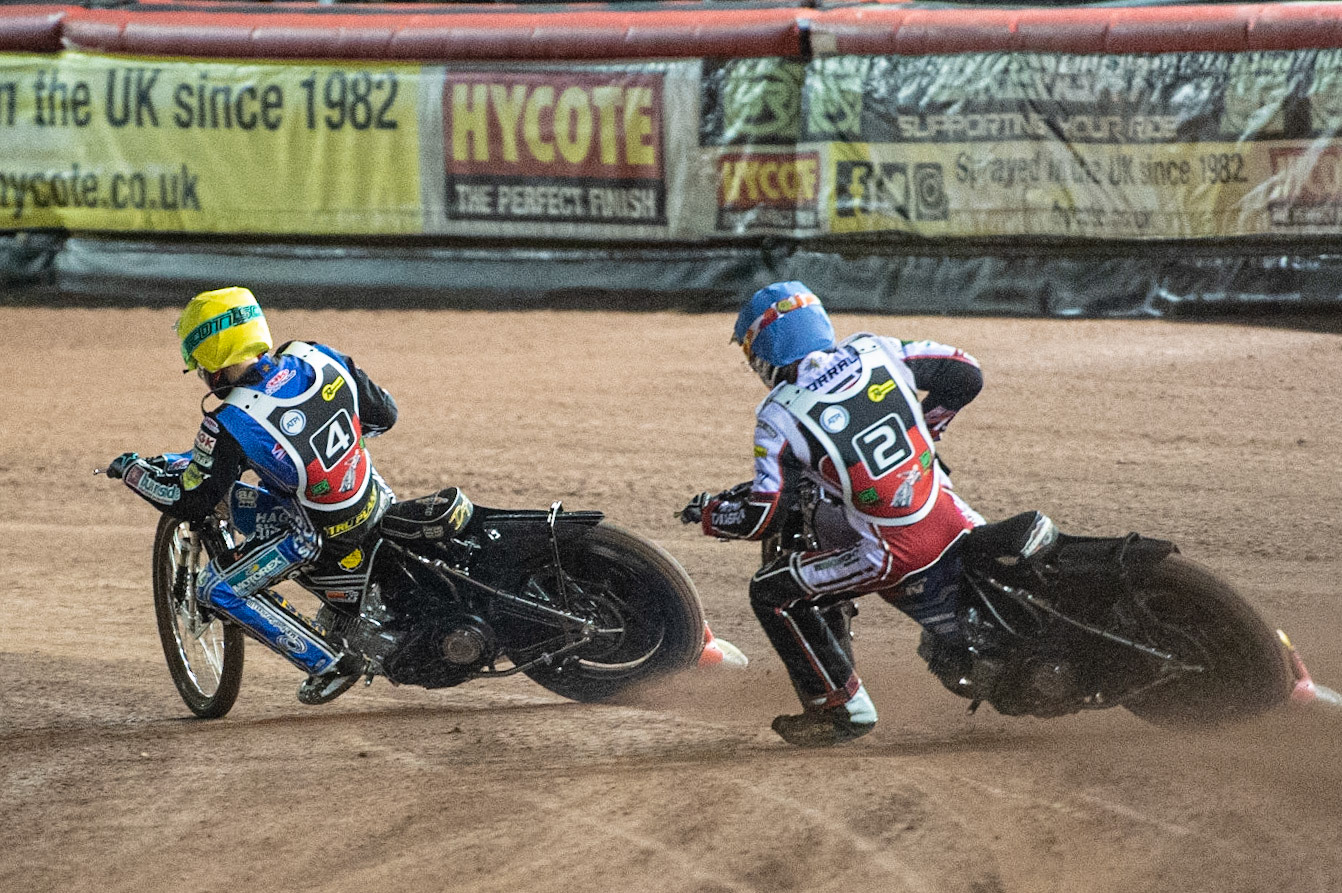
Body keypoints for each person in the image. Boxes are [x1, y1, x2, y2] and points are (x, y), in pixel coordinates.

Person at [681, 281, 1055, 747]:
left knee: (771, 591)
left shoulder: (779, 413)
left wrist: (713, 515)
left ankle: (840, 707)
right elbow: (966, 374)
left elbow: (766, 518)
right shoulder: (873, 349)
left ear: (768, 346)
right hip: (952, 514)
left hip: (892, 552)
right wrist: (927, 428)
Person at [105, 286, 398, 706]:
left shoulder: (229, 421)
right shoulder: (315, 355)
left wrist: (133, 472)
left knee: (215, 590)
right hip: (373, 497)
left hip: (315, 536)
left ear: (211, 362)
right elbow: (382, 417)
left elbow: (191, 502)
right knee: (255, 497)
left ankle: (330, 662)